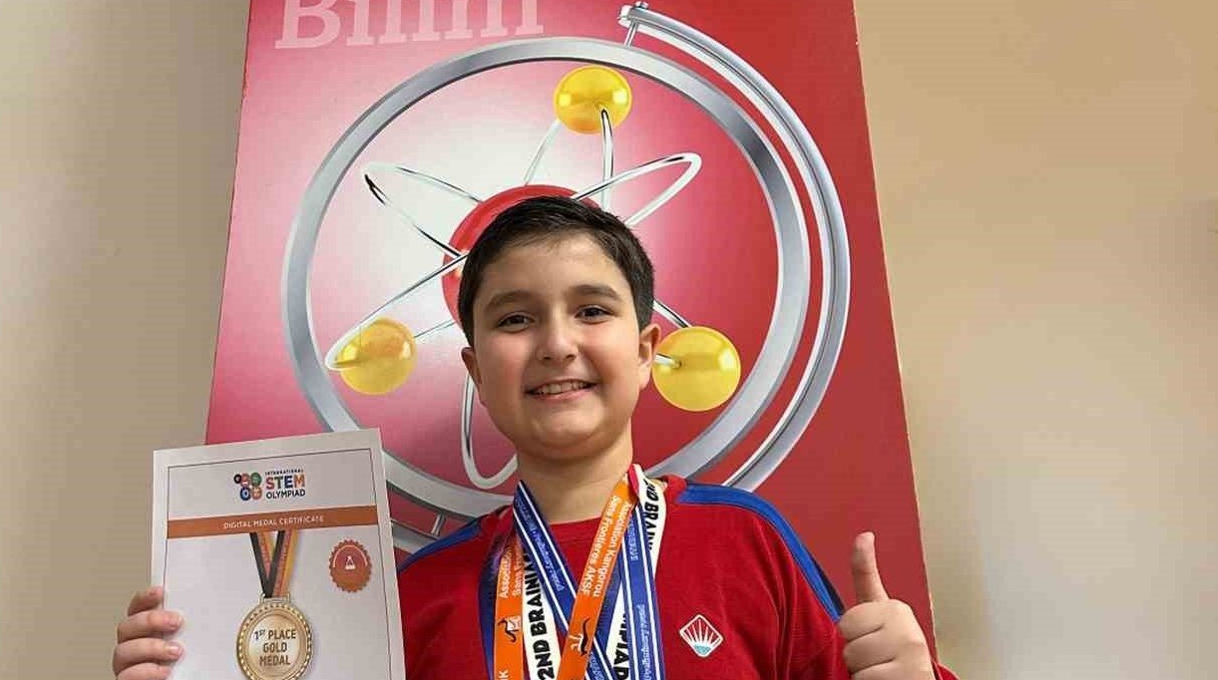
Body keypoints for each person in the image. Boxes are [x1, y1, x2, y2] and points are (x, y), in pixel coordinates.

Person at [113, 196, 956, 680]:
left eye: (591, 310)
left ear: (646, 351)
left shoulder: (746, 541)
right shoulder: (416, 595)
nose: (557, 344)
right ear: (477, 370)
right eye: (516, 320)